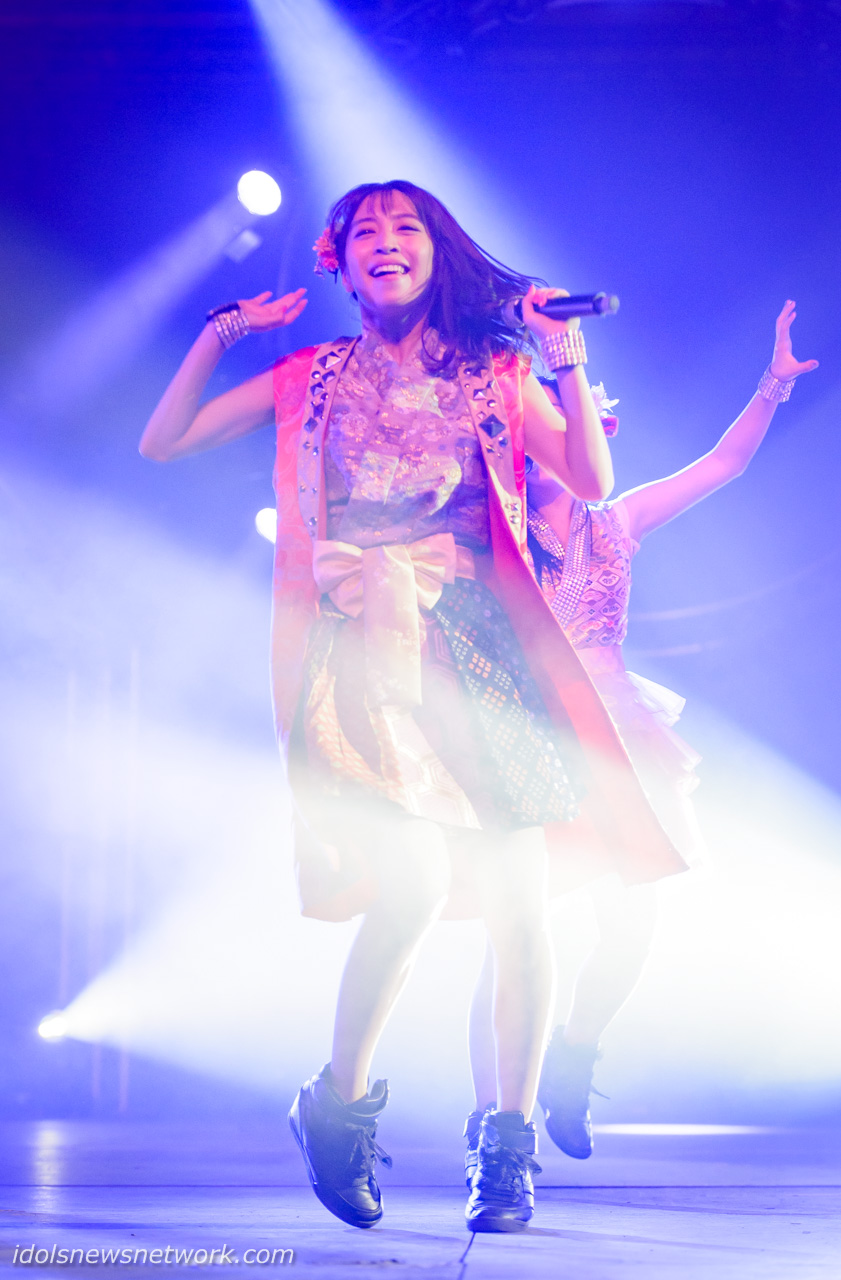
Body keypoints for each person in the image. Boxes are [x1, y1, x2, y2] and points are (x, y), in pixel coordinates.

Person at [139, 180, 686, 1233]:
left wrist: (563, 358)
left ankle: (507, 1150)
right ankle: (336, 1105)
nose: (387, 242)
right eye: (366, 232)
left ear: (437, 254)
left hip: (480, 646)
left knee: (523, 899)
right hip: (364, 650)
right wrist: (222, 331)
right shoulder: (310, 375)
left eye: (407, 229)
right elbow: (164, 440)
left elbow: (588, 473)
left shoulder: (493, 373)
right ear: (338, 261)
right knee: (415, 883)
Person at [465, 300, 818, 1171]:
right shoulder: (494, 532)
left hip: (618, 731)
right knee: (515, 929)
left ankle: (574, 1056)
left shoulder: (617, 521)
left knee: (631, 924)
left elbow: (724, 464)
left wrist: (773, 384)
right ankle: (494, 1124)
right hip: (528, 727)